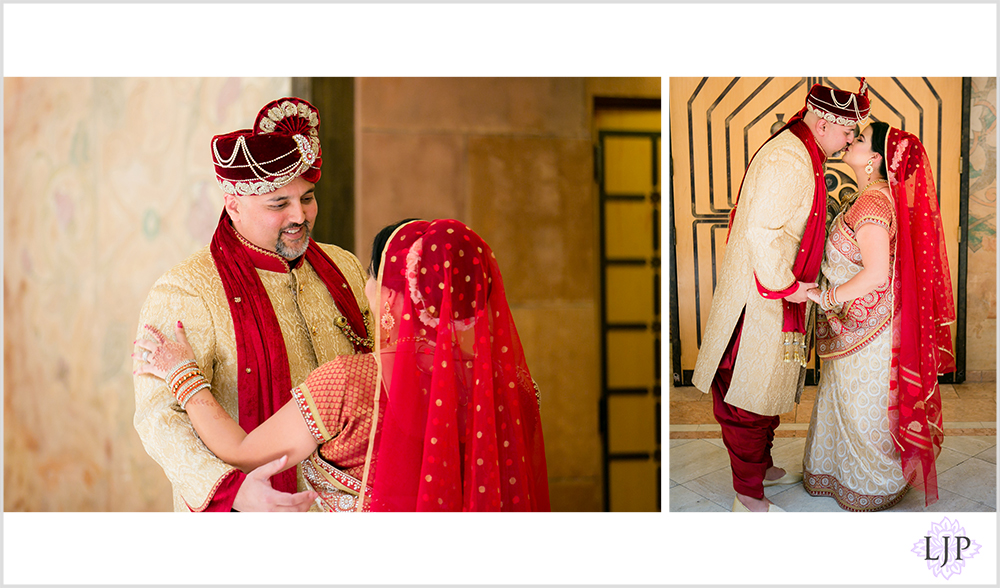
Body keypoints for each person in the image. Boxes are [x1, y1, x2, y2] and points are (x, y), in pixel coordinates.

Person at [135, 219, 551, 512]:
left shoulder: (350, 384)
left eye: (371, 274)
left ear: (387, 293)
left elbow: (244, 453)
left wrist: (184, 376)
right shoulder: (512, 386)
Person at [133, 97, 372, 512]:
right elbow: (159, 419)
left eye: (308, 198)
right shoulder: (186, 290)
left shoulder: (345, 268)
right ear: (234, 205)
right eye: (278, 204)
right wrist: (234, 490)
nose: (300, 216)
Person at [691, 80, 871, 512]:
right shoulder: (788, 160)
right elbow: (762, 235)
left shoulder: (800, 149)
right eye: (848, 132)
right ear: (825, 122)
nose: (850, 142)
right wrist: (792, 287)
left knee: (768, 386)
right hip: (761, 298)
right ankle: (747, 496)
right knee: (746, 396)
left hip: (776, 293)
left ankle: (762, 467)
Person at [802, 121, 955, 511]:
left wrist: (826, 296)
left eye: (861, 137)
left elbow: (874, 274)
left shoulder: (873, 203)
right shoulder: (874, 197)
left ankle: (870, 483)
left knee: (860, 408)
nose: (850, 138)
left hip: (863, 327)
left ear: (874, 159)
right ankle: (843, 475)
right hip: (862, 326)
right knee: (849, 402)